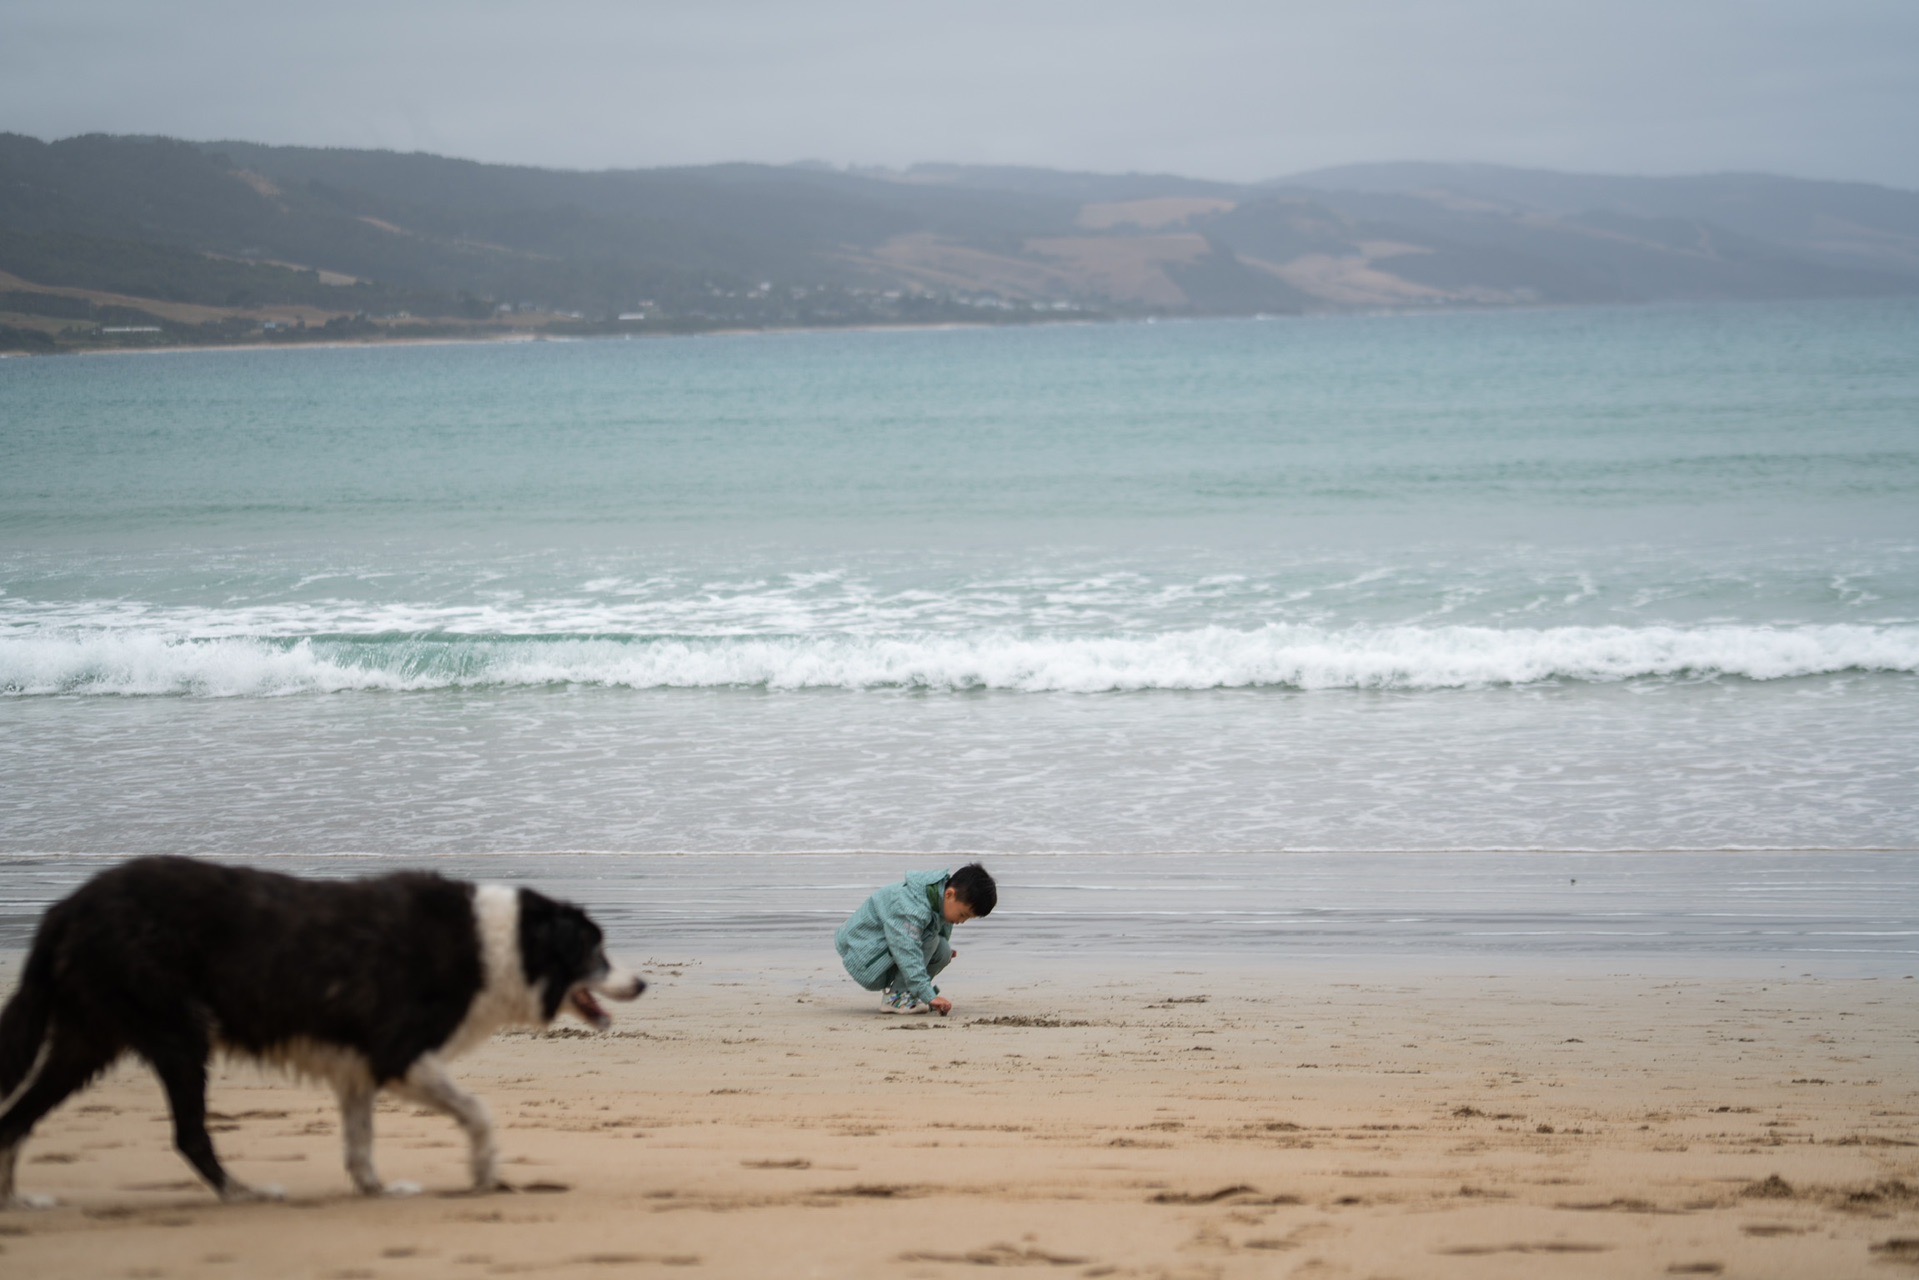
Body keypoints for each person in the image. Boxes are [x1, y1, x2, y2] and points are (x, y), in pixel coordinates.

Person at [834, 863, 996, 1015]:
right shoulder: (912, 906)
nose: (961, 921)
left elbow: (937, 936)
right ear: (949, 894)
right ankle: (897, 998)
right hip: (863, 957)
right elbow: (906, 949)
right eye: (963, 915)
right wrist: (928, 994)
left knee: (943, 951)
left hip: (881, 953)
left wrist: (939, 952)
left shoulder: (937, 900)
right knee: (929, 939)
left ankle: (910, 995)